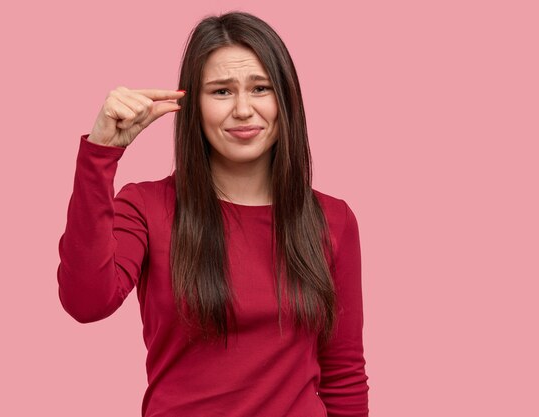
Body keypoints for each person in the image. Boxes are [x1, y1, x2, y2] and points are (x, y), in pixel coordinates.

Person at [57, 11, 369, 417]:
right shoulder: (146, 207)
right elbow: (85, 301)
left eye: (260, 88)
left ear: (286, 98)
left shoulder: (333, 220)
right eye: (221, 92)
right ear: (193, 105)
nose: (243, 110)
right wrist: (101, 153)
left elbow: (343, 373)